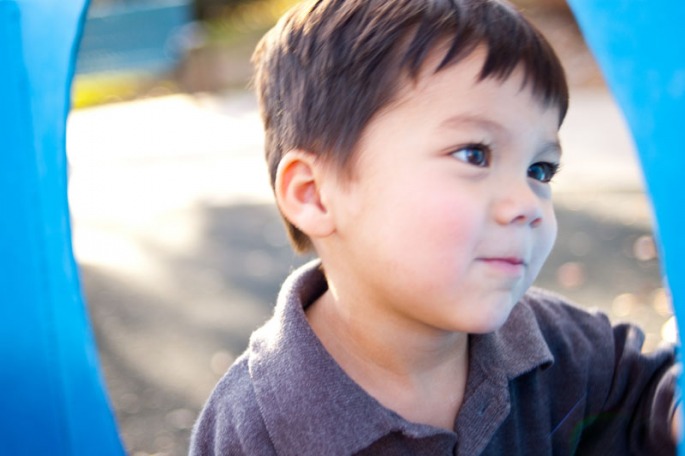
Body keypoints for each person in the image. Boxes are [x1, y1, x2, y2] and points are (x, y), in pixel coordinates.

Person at [190, 0, 680, 454]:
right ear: (315, 194)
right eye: (474, 154)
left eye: (540, 170)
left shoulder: (557, 346)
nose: (527, 204)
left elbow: (647, 402)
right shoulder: (255, 429)